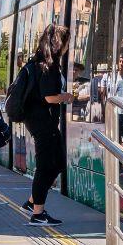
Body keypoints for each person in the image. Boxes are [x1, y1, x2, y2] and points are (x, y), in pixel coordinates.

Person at [20, 24, 72, 226]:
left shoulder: (40, 63)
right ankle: (38, 214)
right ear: (60, 43)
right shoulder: (48, 66)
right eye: (66, 42)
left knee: (58, 162)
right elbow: (49, 97)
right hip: (43, 123)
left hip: (42, 121)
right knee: (45, 166)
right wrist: (66, 97)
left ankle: (32, 202)